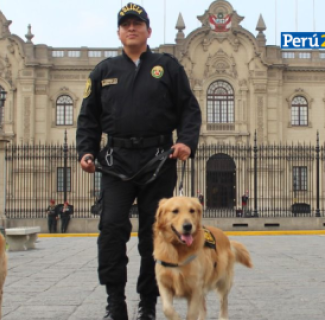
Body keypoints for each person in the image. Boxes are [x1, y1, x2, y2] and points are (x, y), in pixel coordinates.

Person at [76, 3, 201, 320]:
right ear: (119, 32)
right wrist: (86, 151)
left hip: (158, 161)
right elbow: (88, 118)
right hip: (115, 162)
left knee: (154, 234)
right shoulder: (104, 71)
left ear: (148, 30)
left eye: (137, 23)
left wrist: (185, 141)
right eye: (126, 24)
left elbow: (189, 109)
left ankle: (148, 302)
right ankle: (114, 301)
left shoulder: (167, 67)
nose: (131, 28)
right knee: (112, 228)